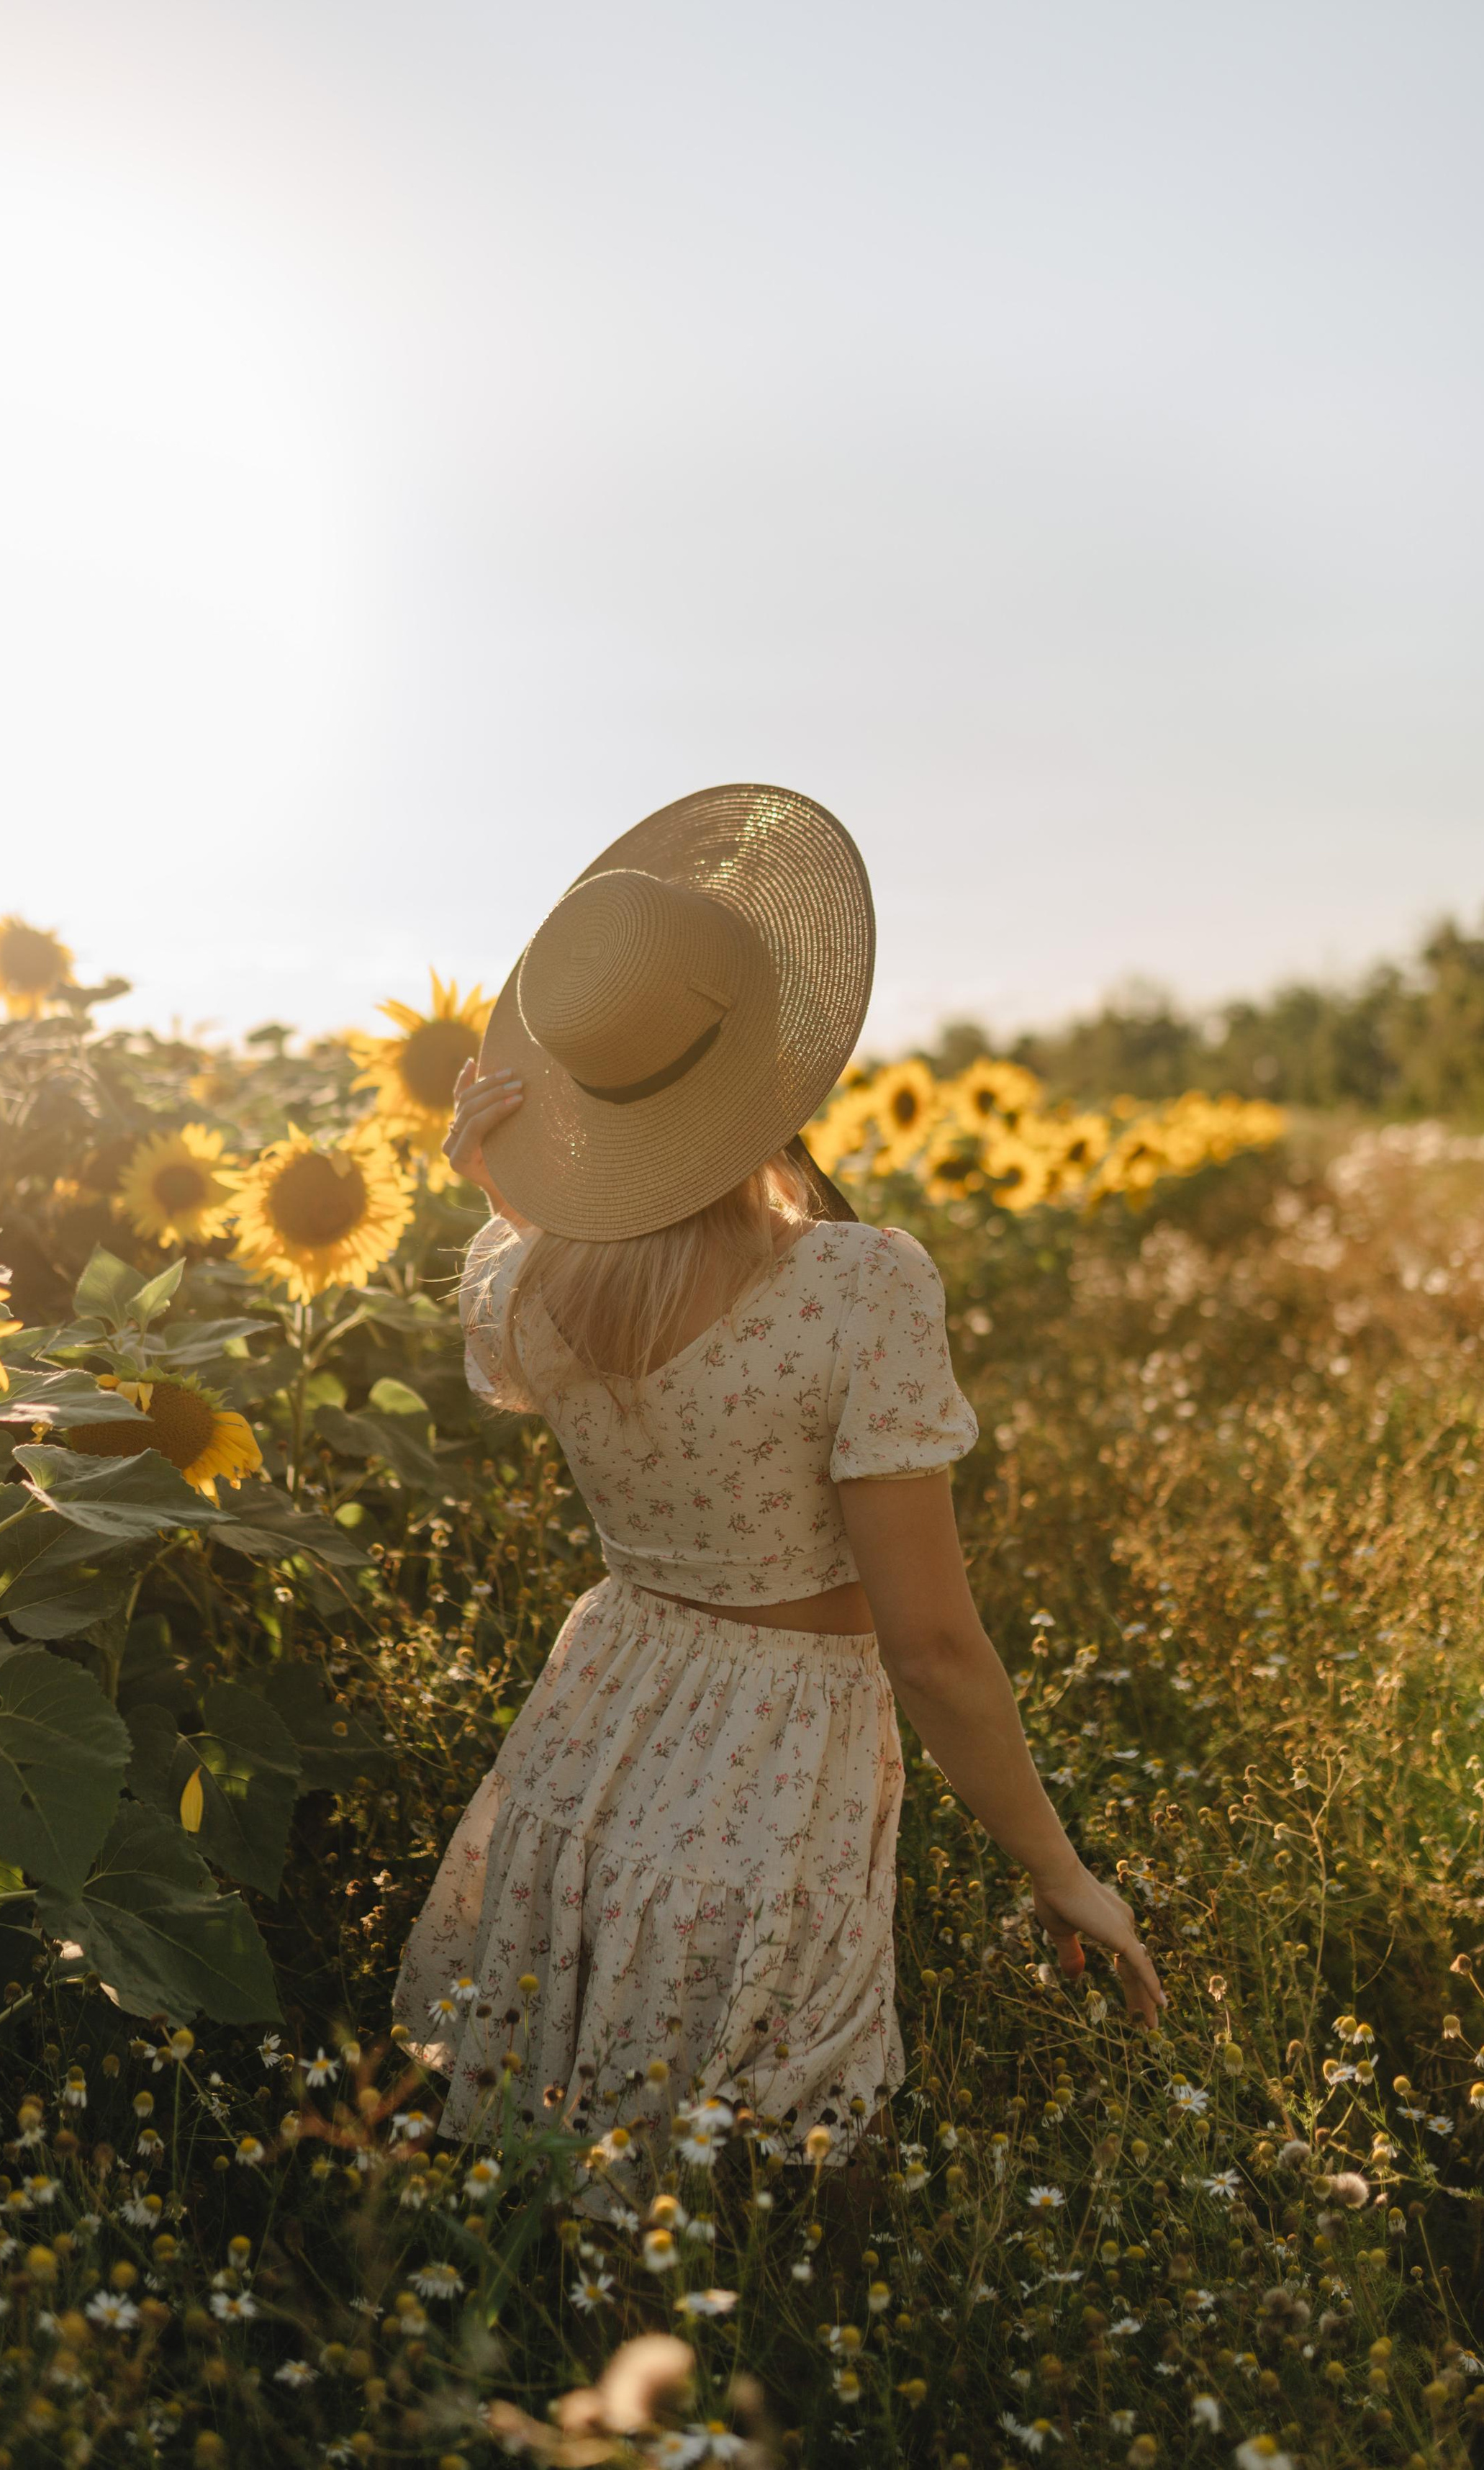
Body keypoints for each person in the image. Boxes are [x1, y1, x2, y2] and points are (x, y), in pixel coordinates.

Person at [392, 784, 1162, 2203]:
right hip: (776, 1745)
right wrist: (1059, 1868)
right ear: (766, 1056)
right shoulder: (860, 1282)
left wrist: (513, 1192)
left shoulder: (516, 1281)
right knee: (787, 2164)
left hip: (600, 1710)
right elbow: (928, 1644)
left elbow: (566, 1293)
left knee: (585, 2108)